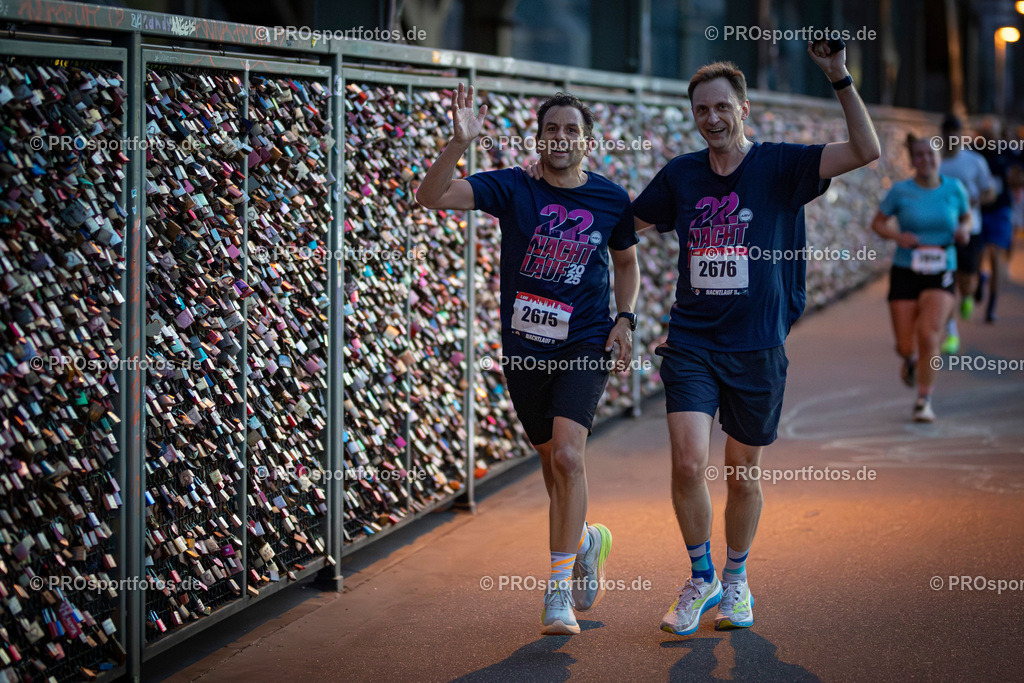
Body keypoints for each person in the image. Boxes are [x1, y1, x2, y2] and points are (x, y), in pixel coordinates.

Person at [630, 42, 880, 636]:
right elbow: (626, 224)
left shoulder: (781, 166)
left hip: (758, 345)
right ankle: (701, 576)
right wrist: (563, 185)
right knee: (689, 464)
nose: (711, 119)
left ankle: (737, 580)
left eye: (721, 107)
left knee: (743, 472)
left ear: (743, 109)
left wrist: (840, 76)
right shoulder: (681, 175)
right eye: (701, 111)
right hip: (691, 341)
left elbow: (866, 151)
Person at [416, 84, 640, 636]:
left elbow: (626, 264)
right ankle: (587, 541)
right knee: (549, 461)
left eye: (571, 129)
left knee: (568, 458)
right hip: (525, 350)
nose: (560, 137)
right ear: (538, 136)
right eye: (551, 128)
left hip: (584, 341)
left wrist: (625, 319)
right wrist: (458, 142)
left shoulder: (611, 199)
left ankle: (556, 592)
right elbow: (431, 197)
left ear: (588, 140)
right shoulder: (515, 186)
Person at [870, 135, 970, 421]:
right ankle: (910, 360)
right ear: (912, 160)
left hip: (942, 268)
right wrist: (897, 236)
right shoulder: (900, 191)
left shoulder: (955, 188)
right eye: (919, 155)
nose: (925, 159)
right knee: (905, 345)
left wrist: (964, 229)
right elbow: (877, 223)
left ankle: (923, 400)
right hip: (906, 271)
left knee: (929, 335)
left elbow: (966, 217)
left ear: (940, 157)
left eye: (931, 153)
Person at [937, 115, 995, 352]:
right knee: (945, 283)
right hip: (941, 232)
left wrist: (975, 201)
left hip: (972, 228)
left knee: (966, 280)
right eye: (947, 132)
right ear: (942, 134)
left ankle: (970, 294)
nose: (951, 137)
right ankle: (951, 334)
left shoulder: (975, 161)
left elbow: (990, 192)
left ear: (961, 135)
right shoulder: (935, 160)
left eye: (956, 132)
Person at [975, 117, 1022, 322]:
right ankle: (978, 282)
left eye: (992, 133)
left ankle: (991, 306)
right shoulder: (974, 152)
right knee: (977, 256)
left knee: (995, 256)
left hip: (1001, 210)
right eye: (985, 134)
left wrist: (1016, 179)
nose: (989, 137)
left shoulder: (1007, 151)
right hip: (978, 210)